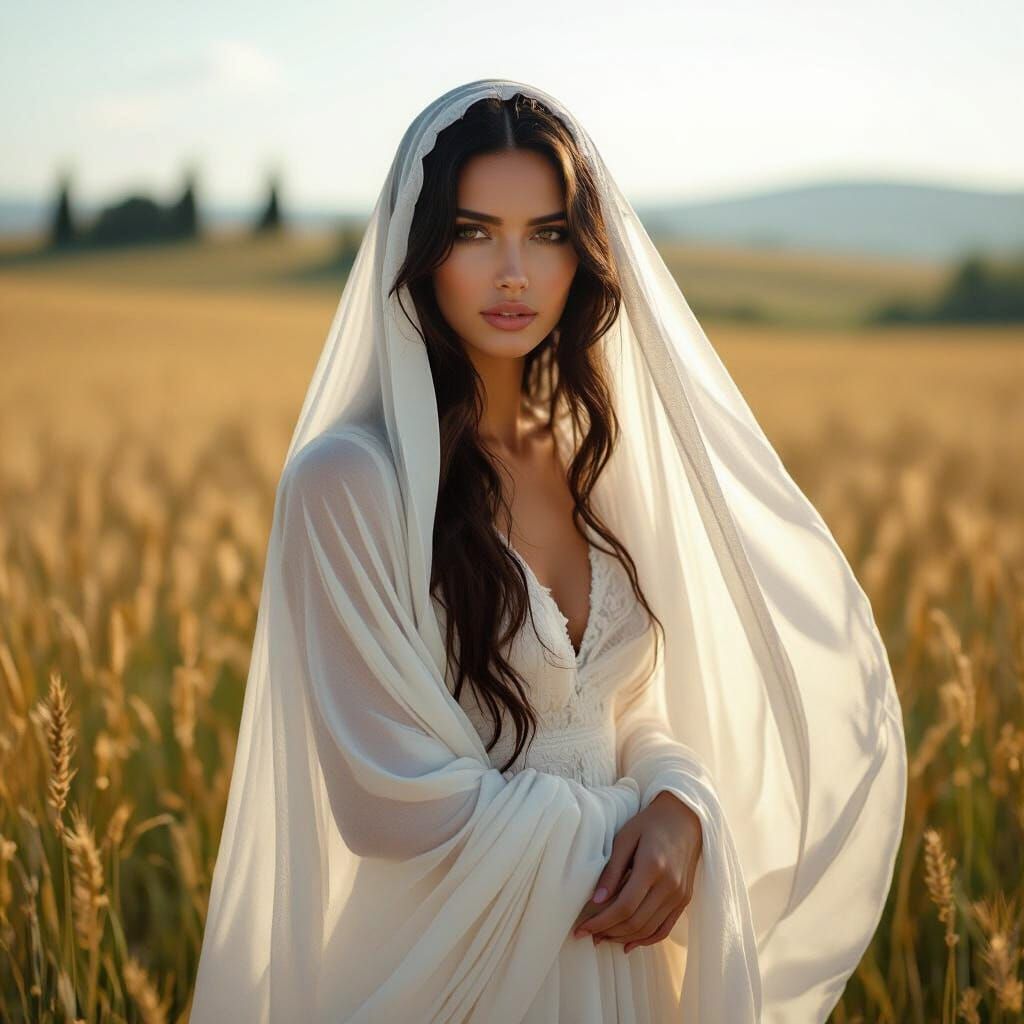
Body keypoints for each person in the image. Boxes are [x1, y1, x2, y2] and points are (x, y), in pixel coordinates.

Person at [189, 80, 907, 1023]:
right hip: (450, 969)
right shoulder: (350, 484)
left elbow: (621, 708)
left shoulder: (594, 460)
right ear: (421, 250)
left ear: (586, 255)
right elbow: (389, 801)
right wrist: (629, 832)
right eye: (476, 231)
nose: (514, 272)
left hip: (622, 972)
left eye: (550, 233)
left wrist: (681, 808)